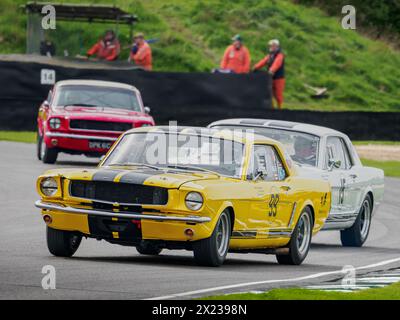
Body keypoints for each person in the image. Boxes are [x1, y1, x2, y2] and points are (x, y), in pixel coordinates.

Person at [253, 39, 285, 109]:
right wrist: (255, 67)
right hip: (271, 77)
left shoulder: (280, 55)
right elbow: (263, 61)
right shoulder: (270, 55)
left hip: (279, 78)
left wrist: (271, 71)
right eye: (271, 46)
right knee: (270, 94)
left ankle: (280, 108)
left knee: (278, 95)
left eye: (274, 46)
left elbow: (277, 64)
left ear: (277, 47)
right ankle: (272, 108)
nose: (272, 47)